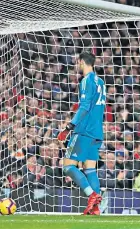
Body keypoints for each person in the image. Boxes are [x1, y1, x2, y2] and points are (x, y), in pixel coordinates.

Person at [57, 52, 106, 215]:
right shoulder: (101, 82)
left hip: (84, 130)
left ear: (81, 62)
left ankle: (91, 195)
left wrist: (69, 126)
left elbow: (84, 106)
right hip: (97, 131)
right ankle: (96, 208)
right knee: (89, 168)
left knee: (68, 166)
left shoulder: (86, 81)